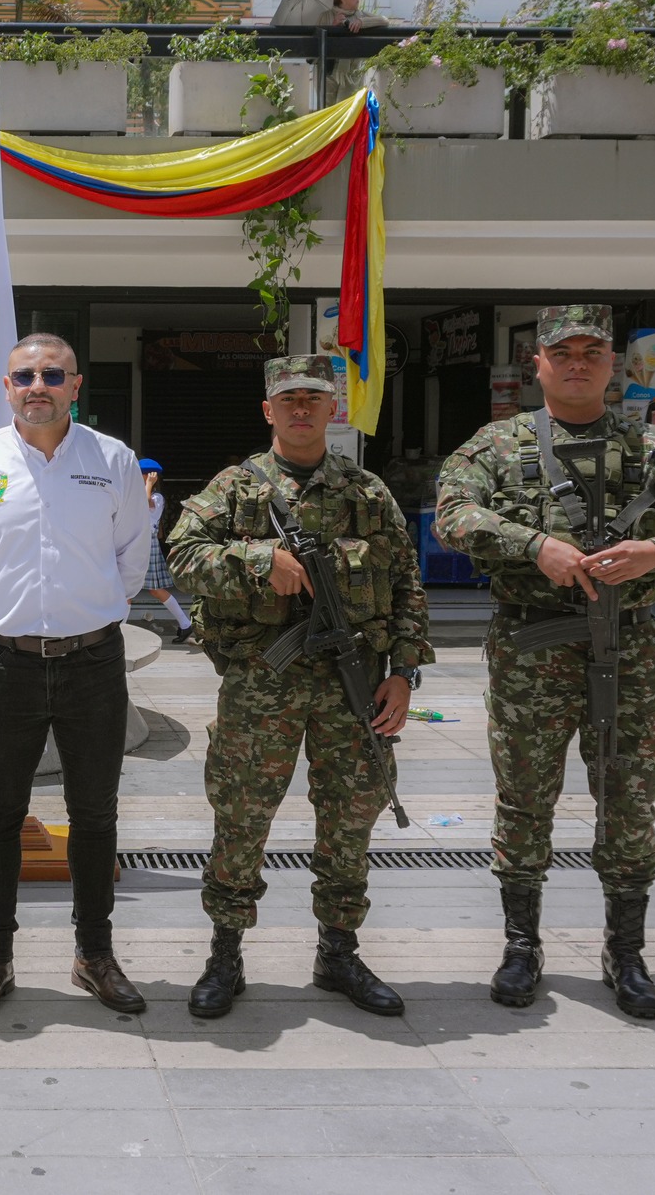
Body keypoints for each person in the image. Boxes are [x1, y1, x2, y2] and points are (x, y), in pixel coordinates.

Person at [434, 304, 655, 1022]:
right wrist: (534, 545)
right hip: (531, 647)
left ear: (613, 365)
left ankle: (625, 951)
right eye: (562, 352)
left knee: (629, 799)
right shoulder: (496, 444)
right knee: (523, 797)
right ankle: (521, 944)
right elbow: (452, 514)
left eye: (591, 352)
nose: (576, 364)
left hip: (628, 646)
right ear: (537, 362)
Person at [166, 355, 432, 1021]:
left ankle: (338, 951)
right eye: (290, 400)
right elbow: (182, 556)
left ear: (332, 408)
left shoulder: (367, 491)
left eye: (314, 398)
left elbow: (407, 584)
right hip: (265, 680)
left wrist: (403, 673)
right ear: (269, 410)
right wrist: (261, 559)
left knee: (351, 816)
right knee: (242, 814)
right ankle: (225, 952)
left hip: (354, 682)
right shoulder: (234, 488)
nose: (303, 409)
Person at [0, 333, 151, 1021]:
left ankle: (94, 954)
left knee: (95, 814)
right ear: (6, 386)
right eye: (24, 376)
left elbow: (131, 559)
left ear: (76, 385)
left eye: (53, 375)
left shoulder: (112, 460)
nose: (38, 387)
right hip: (3, 666)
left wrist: (86, 610)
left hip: (93, 663)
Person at [136, 457, 194, 644]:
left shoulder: (156, 497)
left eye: (142, 474)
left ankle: (185, 623)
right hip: (135, 543)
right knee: (127, 590)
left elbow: (145, 502)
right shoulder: (136, 492)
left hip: (146, 544)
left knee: (153, 589)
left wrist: (149, 484)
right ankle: (185, 624)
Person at [314, 0, 387, 33]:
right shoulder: (324, 17)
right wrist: (333, 26)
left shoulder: (361, 14)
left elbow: (385, 20)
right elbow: (317, 40)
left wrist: (361, 22)